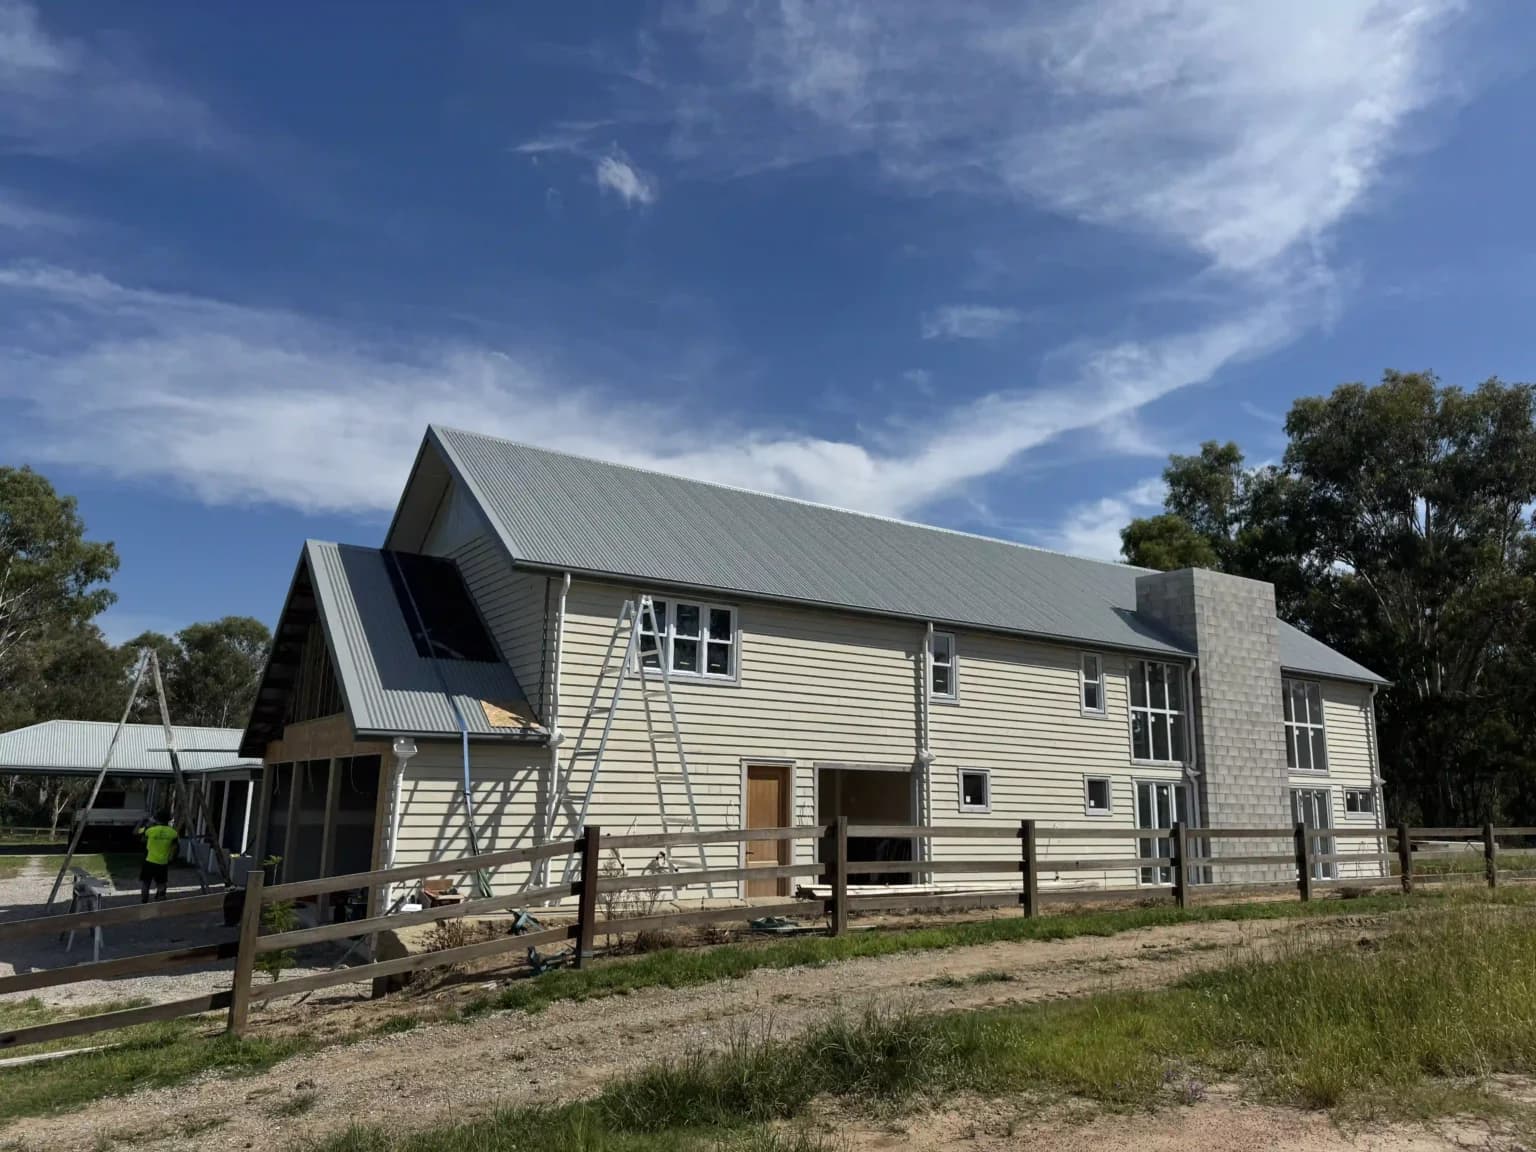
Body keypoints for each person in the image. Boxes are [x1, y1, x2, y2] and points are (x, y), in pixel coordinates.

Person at [135, 811, 179, 903]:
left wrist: (143, 821)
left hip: (149, 861)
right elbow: (175, 848)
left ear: (157, 819)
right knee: (161, 883)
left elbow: (136, 832)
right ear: (168, 820)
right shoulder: (173, 833)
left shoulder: (150, 830)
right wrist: (172, 859)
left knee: (146, 883)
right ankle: (160, 899)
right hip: (162, 862)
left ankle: (144, 901)